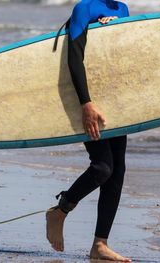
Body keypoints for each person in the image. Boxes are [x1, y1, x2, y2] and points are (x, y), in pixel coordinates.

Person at [45, 0, 131, 262]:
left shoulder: (123, 9)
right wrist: (86, 105)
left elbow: (126, 53)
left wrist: (110, 33)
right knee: (102, 167)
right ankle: (60, 211)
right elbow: (74, 56)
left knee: (117, 171)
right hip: (85, 99)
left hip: (112, 97)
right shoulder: (85, 8)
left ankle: (100, 245)